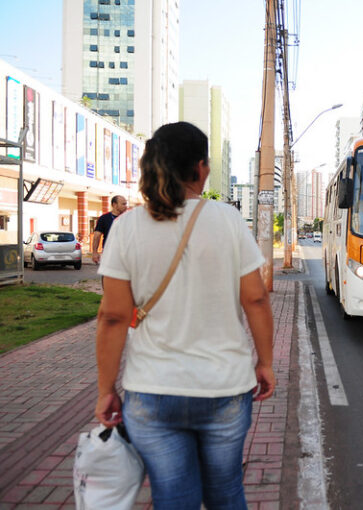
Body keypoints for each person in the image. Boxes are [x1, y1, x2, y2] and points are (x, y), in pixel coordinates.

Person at [94, 121, 275, 509]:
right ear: (201, 168)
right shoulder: (227, 220)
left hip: (152, 391)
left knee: (174, 497)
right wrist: (266, 362)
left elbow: (112, 317)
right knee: (226, 491)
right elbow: (256, 300)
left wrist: (106, 389)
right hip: (225, 387)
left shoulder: (125, 228)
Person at [91, 195, 127, 264]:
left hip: (125, 254)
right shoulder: (104, 218)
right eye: (123, 204)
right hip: (109, 254)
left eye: (126, 204)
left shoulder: (128, 218)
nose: (125, 206)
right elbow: (97, 236)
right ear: (114, 205)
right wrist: (95, 252)